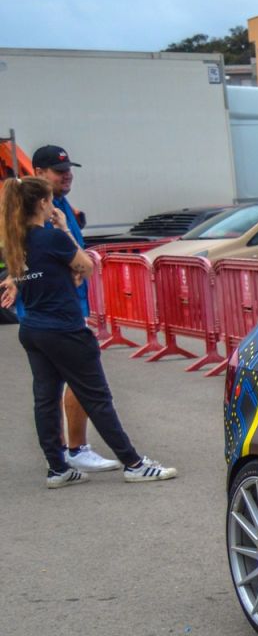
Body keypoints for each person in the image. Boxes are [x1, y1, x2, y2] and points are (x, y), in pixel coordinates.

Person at [0, 176, 177, 488]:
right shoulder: (52, 238)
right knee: (97, 398)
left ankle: (58, 469)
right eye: (50, 200)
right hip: (64, 328)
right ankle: (133, 463)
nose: (54, 206)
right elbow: (86, 265)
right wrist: (64, 228)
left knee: (45, 399)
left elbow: (44, 272)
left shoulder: (17, 241)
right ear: (42, 203)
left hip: (33, 328)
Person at [32, 145, 122, 473]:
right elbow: (73, 259)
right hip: (58, 310)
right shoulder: (39, 211)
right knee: (81, 381)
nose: (67, 175)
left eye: (69, 169)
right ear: (39, 173)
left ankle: (60, 460)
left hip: (58, 308)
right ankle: (77, 449)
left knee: (52, 387)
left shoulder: (59, 204)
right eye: (59, 171)